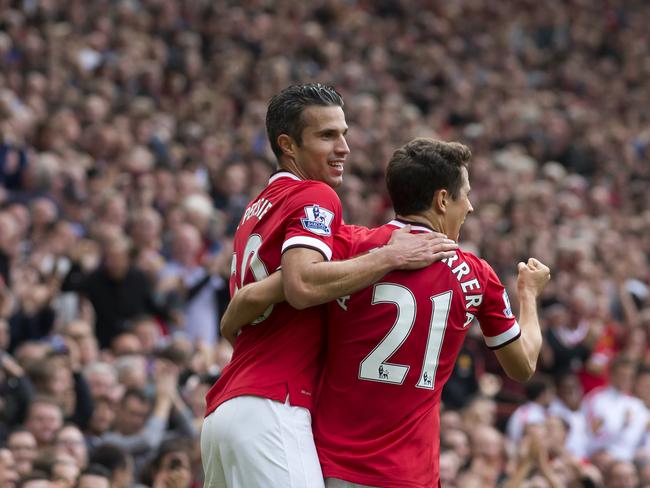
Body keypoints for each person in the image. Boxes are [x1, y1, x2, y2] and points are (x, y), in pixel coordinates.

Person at [223, 138, 550, 487]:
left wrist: (231, 324)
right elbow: (523, 365)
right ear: (442, 200)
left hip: (333, 467)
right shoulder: (477, 276)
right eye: (465, 194)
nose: (469, 207)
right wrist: (528, 295)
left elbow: (268, 293)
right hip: (411, 474)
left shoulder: (345, 247)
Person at [200, 84, 457, 488]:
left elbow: (239, 316)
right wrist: (391, 256)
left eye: (344, 133)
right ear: (288, 145)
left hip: (226, 413)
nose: (344, 148)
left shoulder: (258, 207)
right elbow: (302, 282)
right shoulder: (314, 193)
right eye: (326, 136)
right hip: (274, 408)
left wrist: (246, 301)